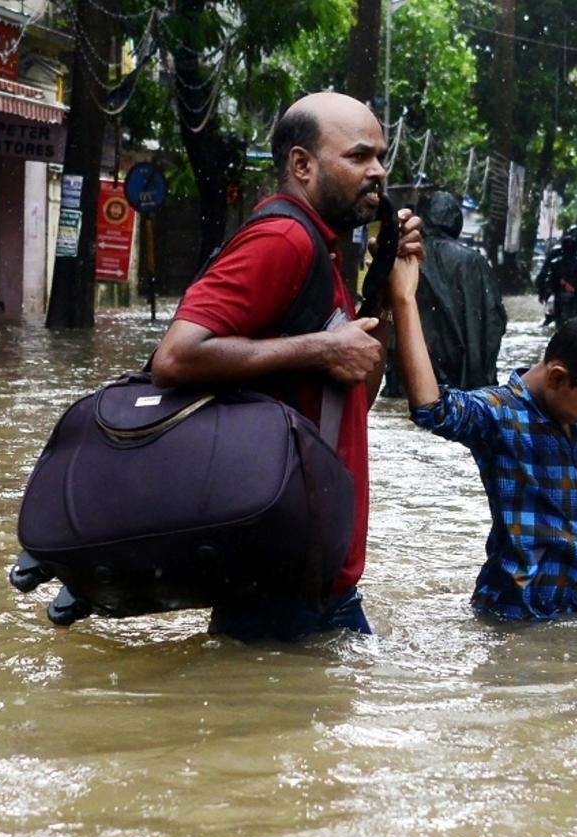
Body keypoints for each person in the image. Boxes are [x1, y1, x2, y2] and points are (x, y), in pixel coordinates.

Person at [149, 91, 424, 640]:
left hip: (316, 573)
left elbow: (358, 396)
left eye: (380, 157)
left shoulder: (321, 250)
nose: (378, 171)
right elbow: (174, 357)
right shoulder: (283, 240)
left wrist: (389, 292)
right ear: (302, 165)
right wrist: (322, 348)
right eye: (359, 156)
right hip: (280, 577)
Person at [388, 282, 577, 619]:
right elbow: (431, 408)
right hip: (513, 613)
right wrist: (404, 299)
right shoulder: (498, 413)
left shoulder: (571, 420)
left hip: (565, 606)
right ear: (557, 378)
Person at [404, 189, 507, 390]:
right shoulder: (473, 261)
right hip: (462, 376)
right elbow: (493, 320)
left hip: (412, 369)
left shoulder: (407, 256)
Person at [535, 227, 577, 326]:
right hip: (562, 294)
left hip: (570, 296)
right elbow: (545, 272)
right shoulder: (557, 255)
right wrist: (543, 291)